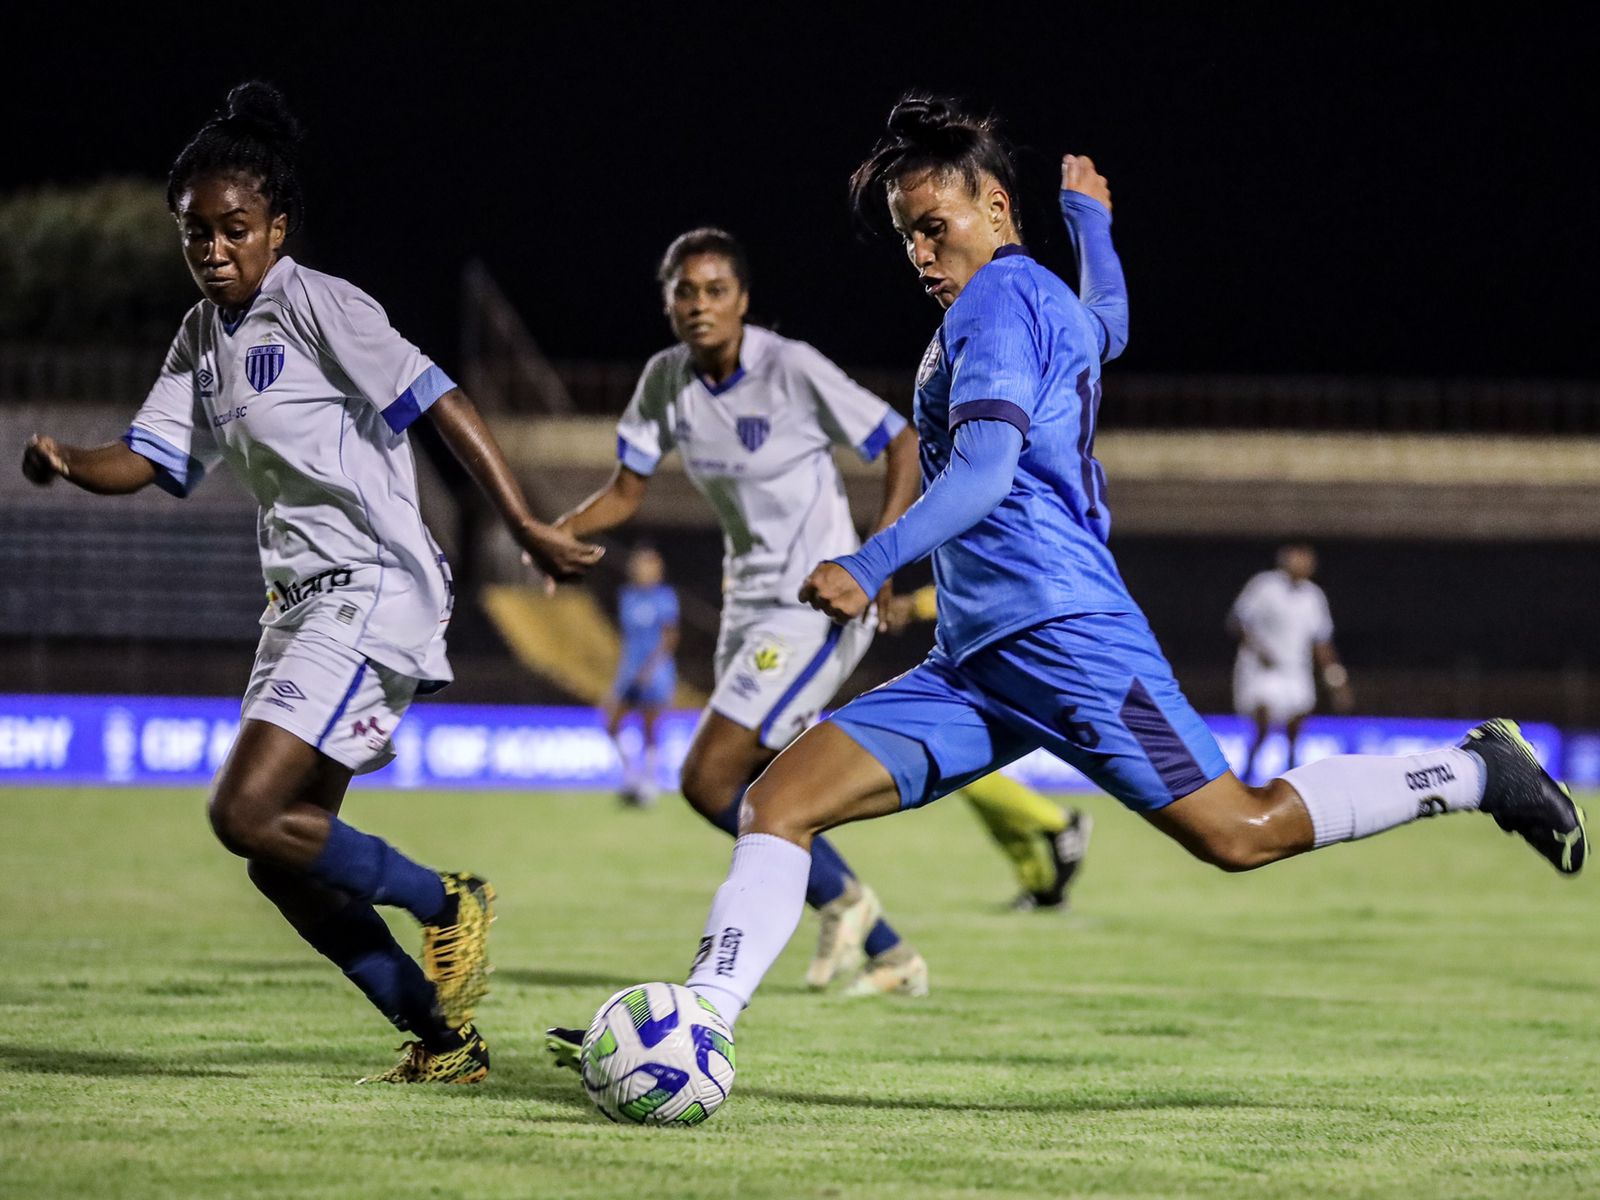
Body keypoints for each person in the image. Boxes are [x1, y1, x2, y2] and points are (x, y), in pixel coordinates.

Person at [670, 94, 1586, 1053]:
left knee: (1240, 829)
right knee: (779, 802)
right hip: (976, 658)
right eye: (908, 240)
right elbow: (1109, 325)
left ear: (993, 204)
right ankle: (699, 1026)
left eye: (934, 229)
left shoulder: (998, 303)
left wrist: (870, 559)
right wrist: (1095, 228)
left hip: (1067, 639)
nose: (922, 257)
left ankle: (1479, 769)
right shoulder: (1043, 301)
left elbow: (983, 469)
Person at [19, 82, 601, 1085]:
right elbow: (151, 457)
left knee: (241, 811)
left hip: (368, 583)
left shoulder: (320, 303)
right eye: (193, 232)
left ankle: (445, 897)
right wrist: (71, 461)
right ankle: (445, 1038)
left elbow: (439, 402)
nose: (211, 249)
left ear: (275, 227)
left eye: (232, 228)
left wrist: (521, 524)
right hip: (298, 606)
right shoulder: (202, 341)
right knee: (279, 855)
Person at [550, 227, 929, 996]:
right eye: (684, 292)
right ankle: (888, 951)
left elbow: (903, 443)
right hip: (747, 609)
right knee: (757, 786)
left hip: (818, 603)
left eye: (715, 289)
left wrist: (879, 557)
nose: (699, 305)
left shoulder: (790, 369)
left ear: (744, 301)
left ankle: (846, 905)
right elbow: (627, 491)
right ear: (667, 303)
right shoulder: (666, 381)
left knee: (708, 777)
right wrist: (556, 533)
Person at [882, 585, 1092, 910]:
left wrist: (915, 605)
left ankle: (1059, 823)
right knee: (974, 781)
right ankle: (1041, 887)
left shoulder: (1018, 559)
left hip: (1023, 673)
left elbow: (983, 589)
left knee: (971, 776)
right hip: (995, 674)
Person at [1228, 543, 1354, 781]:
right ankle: (1248, 772)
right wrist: (1259, 650)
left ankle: (1291, 773)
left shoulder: (1314, 596)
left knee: (1297, 721)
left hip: (1296, 669)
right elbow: (1238, 621)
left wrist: (1336, 680)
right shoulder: (1264, 586)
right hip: (1263, 668)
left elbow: (1321, 642)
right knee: (1264, 719)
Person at [607, 544, 679, 806]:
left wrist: (650, 669)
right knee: (611, 721)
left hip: (655, 671)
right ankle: (630, 776)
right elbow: (627, 637)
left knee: (649, 727)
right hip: (629, 669)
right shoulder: (627, 596)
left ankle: (649, 783)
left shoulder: (665, 597)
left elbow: (670, 637)